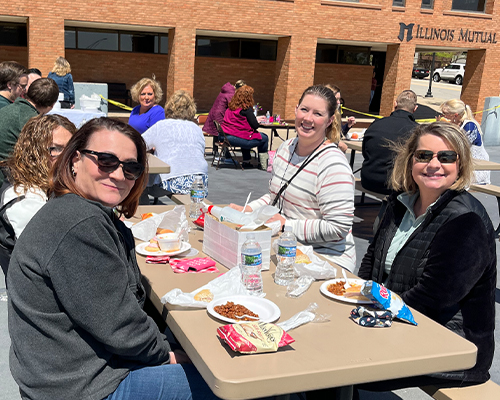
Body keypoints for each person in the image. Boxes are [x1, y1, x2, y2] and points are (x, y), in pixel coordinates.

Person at [7, 117, 217, 400]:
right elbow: (121, 327)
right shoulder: (78, 223)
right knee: (231, 384)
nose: (119, 175)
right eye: (105, 160)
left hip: (67, 367)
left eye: (131, 167)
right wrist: (167, 355)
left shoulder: (77, 209)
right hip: (81, 386)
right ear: (75, 160)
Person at [355, 122, 496, 397]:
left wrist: (371, 320)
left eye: (446, 157)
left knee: (341, 365)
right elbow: (371, 262)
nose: (434, 164)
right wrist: (357, 300)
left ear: (460, 164)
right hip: (398, 323)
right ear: (410, 161)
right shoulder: (399, 202)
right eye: (424, 155)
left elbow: (434, 298)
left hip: (451, 344)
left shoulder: (466, 221)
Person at [231, 85, 356, 272]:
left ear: (330, 120)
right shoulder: (286, 148)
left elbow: (338, 228)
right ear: (296, 109)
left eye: (318, 114)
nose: (308, 118)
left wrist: (286, 225)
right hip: (288, 248)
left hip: (326, 260)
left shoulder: (333, 165)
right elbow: (275, 197)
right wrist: (248, 209)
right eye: (304, 110)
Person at [0, 114, 76, 278]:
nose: (66, 157)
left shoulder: (47, 184)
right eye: (55, 149)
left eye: (70, 149)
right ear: (34, 152)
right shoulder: (24, 199)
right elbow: (55, 260)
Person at [142, 90, 208, 194]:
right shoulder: (196, 129)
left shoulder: (161, 126)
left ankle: (142, 208)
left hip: (170, 181)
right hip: (200, 182)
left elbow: (138, 144)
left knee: (139, 186)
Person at [0, 78, 59, 185]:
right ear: (52, 105)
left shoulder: (7, 109)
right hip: (7, 179)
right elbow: (39, 160)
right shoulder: (34, 122)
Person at [361, 89, 418, 195]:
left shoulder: (376, 123)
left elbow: (365, 151)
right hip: (397, 185)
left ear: (395, 104)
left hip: (368, 180)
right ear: (415, 108)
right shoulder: (416, 130)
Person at [439, 99, 490, 184]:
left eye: (445, 114)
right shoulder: (454, 125)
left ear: (455, 115)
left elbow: (459, 147)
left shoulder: (469, 126)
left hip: (476, 167)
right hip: (460, 164)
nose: (443, 116)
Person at [221, 85, 269, 169]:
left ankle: (247, 160)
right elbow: (255, 126)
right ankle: (263, 164)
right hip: (238, 138)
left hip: (226, 136)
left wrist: (254, 119)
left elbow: (240, 122)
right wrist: (256, 120)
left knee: (246, 134)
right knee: (264, 138)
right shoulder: (246, 109)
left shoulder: (230, 108)